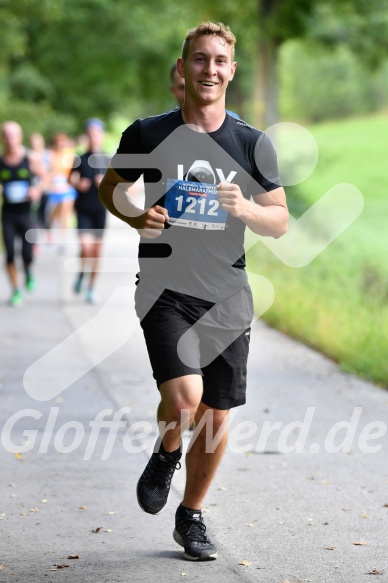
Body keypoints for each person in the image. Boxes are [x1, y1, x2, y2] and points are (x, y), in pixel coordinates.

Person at [99, 21, 288, 561]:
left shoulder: (251, 143)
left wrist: (247, 208)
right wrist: (137, 216)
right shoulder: (147, 133)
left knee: (216, 415)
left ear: (231, 70)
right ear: (183, 68)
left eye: (218, 61)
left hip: (228, 295)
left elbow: (279, 220)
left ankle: (191, 516)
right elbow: (112, 188)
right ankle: (166, 453)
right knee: (185, 397)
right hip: (164, 287)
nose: (209, 69)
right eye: (198, 59)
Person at [0, 121, 44, 306]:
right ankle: (16, 290)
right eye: (7, 135)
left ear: (20, 136)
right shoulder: (1, 161)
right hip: (8, 214)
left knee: (27, 254)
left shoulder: (30, 158)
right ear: (3, 138)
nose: (10, 139)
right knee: (10, 253)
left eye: (13, 135)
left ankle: (27, 271)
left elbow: (44, 177)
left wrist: (37, 189)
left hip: (26, 214)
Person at [70, 118, 110, 304]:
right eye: (90, 133)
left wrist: (106, 185)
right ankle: (81, 273)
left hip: (100, 210)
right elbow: (70, 178)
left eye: (97, 133)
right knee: (85, 247)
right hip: (83, 208)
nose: (94, 137)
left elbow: (122, 186)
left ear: (102, 136)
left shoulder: (108, 159)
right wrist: (78, 183)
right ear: (86, 136)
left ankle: (91, 288)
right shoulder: (80, 158)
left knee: (96, 251)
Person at [170, 61, 240, 119]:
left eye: (192, 86)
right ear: (173, 90)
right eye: (182, 88)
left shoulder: (234, 122)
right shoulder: (163, 126)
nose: (189, 92)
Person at [46, 132, 77, 252]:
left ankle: (63, 240)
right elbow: (48, 172)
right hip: (54, 188)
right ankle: (50, 231)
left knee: (65, 214)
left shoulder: (69, 155)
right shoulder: (50, 155)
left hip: (66, 188)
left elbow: (73, 172)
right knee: (54, 214)